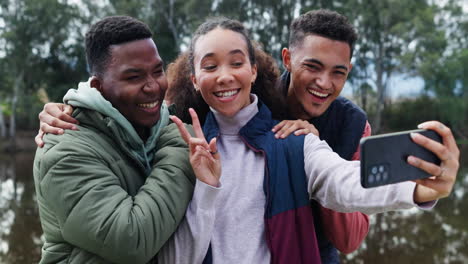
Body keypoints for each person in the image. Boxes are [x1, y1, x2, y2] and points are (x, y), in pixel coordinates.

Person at [156, 17, 459, 264]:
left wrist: (418, 185)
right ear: (193, 78)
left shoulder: (300, 140)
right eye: (210, 66)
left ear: (253, 69)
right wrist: (206, 190)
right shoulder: (180, 145)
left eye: (236, 63)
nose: (224, 76)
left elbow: (346, 181)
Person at [32, 16, 196, 263]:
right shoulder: (63, 149)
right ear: (98, 87)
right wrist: (179, 138)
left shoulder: (149, 125)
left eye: (157, 71)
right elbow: (132, 241)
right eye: (133, 77)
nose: (153, 86)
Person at [271, 9, 371, 262]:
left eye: (338, 72)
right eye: (312, 67)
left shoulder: (356, 126)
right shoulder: (254, 103)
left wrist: (319, 156)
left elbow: (350, 240)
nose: (324, 83)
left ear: (349, 70)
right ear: (287, 59)